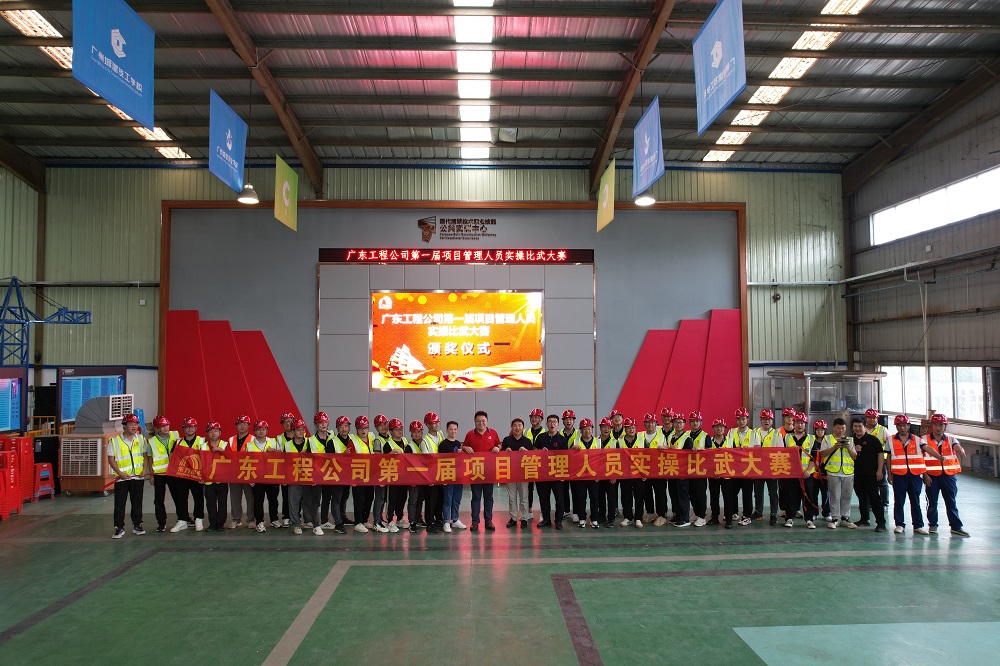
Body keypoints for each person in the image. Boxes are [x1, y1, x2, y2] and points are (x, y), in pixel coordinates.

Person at [921, 413, 970, 537]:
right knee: (932, 502)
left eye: (941, 425)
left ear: (945, 426)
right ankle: (933, 525)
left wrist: (961, 451)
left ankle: (956, 527)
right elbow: (920, 459)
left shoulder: (951, 439)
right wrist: (925, 475)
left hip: (948, 476)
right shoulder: (924, 440)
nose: (938, 428)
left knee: (951, 502)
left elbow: (957, 447)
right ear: (932, 426)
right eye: (935, 425)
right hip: (932, 476)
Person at [108, 413, 146, 539]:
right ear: (124, 426)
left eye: (135, 424)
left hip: (137, 477)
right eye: (131, 424)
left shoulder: (141, 439)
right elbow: (111, 459)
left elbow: (145, 456)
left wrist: (144, 469)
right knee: (120, 504)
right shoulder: (114, 441)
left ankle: (137, 525)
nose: (134, 427)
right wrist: (120, 473)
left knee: (137, 503)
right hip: (121, 479)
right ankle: (119, 528)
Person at [889, 414, 929, 535]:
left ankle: (918, 525)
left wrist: (925, 473)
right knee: (899, 501)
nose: (902, 428)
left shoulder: (917, 440)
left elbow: (924, 455)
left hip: (915, 475)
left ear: (908, 426)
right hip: (899, 475)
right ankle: (899, 524)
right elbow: (888, 458)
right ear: (896, 426)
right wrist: (889, 474)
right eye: (899, 425)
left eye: (904, 425)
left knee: (915, 501)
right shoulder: (890, 440)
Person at [462, 410, 501, 531]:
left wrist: (497, 447)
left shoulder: (493, 433)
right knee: (476, 497)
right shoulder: (470, 434)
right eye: (478, 421)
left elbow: (499, 445)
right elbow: (463, 446)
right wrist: (465, 448)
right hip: (475, 471)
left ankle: (488, 521)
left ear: (487, 421)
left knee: (489, 497)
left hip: (489, 471)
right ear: (474, 421)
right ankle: (475, 521)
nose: (481, 423)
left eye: (483, 421)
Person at [285, 418, 324, 536]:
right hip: (294, 477)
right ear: (293, 431)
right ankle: (296, 524)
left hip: (308, 477)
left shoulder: (310, 442)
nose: (301, 432)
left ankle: (308, 520)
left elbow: (316, 460)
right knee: (294, 502)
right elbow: (283, 462)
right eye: (298, 430)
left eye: (302, 429)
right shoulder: (287, 445)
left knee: (308, 501)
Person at [849, 417, 886, 532]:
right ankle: (864, 519)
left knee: (874, 497)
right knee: (861, 497)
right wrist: (854, 450)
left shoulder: (873, 439)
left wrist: (879, 470)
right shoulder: (850, 441)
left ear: (865, 427)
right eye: (855, 426)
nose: (857, 428)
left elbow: (880, 455)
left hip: (871, 474)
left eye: (860, 426)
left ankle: (881, 523)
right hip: (857, 474)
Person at [144, 415, 179, 533]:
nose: (166, 428)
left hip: (173, 473)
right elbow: (150, 458)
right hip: (159, 474)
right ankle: (161, 522)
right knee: (159, 499)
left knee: (178, 496)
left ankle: (183, 518)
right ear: (157, 429)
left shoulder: (175, 435)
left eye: (167, 425)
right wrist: (151, 475)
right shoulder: (152, 442)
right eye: (162, 426)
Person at [170, 416, 206, 532]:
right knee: (181, 497)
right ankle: (182, 520)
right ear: (183, 429)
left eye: (192, 427)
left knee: (198, 497)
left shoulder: (202, 441)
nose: (190, 429)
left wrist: (204, 475)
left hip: (196, 476)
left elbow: (207, 459)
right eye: (187, 427)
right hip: (181, 475)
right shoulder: (178, 442)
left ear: (196, 428)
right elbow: (172, 458)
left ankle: (198, 518)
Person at [533, 414, 567, 530]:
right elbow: (534, 450)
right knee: (544, 498)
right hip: (543, 474)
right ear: (547, 424)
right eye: (550, 422)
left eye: (555, 422)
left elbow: (566, 457)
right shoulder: (541, 437)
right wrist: (540, 451)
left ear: (558, 425)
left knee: (559, 499)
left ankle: (558, 521)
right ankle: (546, 519)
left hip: (557, 474)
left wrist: (563, 474)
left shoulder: (562, 439)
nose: (552, 424)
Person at [248, 420, 281, 532]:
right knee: (258, 501)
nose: (261, 431)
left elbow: (281, 456)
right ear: (254, 431)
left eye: (263, 429)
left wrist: (275, 451)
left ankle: (274, 519)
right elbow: (246, 462)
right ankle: (259, 522)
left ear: (267, 430)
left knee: (273, 499)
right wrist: (250, 477)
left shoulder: (273, 442)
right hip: (257, 477)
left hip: (272, 476)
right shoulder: (249, 445)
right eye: (258, 429)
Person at [725, 409, 757, 526]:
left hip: (748, 468)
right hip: (734, 467)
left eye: (743, 419)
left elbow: (758, 450)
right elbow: (727, 447)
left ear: (747, 419)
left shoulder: (753, 433)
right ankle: (733, 512)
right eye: (738, 419)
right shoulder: (731, 432)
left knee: (747, 493)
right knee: (732, 491)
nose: (741, 421)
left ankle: (747, 516)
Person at [779, 413, 809, 528]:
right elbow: (780, 453)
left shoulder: (810, 439)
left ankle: (809, 519)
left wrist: (809, 470)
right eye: (797, 423)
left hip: (806, 473)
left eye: (802, 423)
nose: (800, 425)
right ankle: (789, 517)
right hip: (790, 472)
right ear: (794, 424)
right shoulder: (787, 438)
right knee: (790, 495)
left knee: (806, 495)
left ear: (805, 424)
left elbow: (813, 457)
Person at [570, 418, 601, 528]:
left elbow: (603, 459)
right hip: (580, 476)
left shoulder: (598, 442)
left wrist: (599, 474)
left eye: (589, 429)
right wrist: (572, 449)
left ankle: (594, 519)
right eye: (584, 429)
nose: (587, 431)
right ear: (581, 430)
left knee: (594, 498)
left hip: (594, 476)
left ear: (592, 429)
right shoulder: (575, 442)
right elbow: (570, 458)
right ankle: (582, 518)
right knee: (581, 498)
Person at [199, 421, 229, 533]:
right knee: (210, 503)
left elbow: (232, 459)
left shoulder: (225, 445)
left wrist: (222, 451)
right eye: (210, 431)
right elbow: (199, 462)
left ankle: (221, 524)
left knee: (222, 502)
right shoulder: (203, 446)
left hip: (222, 479)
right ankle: (212, 523)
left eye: (216, 431)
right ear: (207, 433)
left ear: (220, 433)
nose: (213, 433)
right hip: (208, 480)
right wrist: (200, 476)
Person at [753, 409, 783, 525]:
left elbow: (781, 451)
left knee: (773, 493)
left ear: (772, 421)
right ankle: (758, 512)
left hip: (772, 468)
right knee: (758, 492)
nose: (767, 421)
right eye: (764, 419)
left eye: (769, 419)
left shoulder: (777, 434)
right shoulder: (754, 432)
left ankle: (773, 514)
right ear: (760, 420)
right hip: (757, 467)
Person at [501, 417, 531, 528]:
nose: (517, 428)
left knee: (524, 497)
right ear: (511, 428)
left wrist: (526, 451)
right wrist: (505, 452)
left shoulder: (527, 441)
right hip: (510, 473)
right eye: (515, 426)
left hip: (523, 473)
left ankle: (524, 518)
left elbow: (533, 456)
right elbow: (500, 455)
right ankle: (513, 518)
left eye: (519, 425)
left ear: (523, 428)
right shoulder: (506, 440)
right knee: (512, 497)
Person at [862, 408, 890, 524]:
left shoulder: (883, 430)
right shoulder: (862, 429)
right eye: (869, 418)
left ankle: (884, 503)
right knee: (868, 483)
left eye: (874, 418)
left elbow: (889, 444)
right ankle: (869, 503)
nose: (872, 420)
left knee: (882, 483)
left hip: (880, 461)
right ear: (866, 418)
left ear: (877, 418)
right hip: (866, 461)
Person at [348, 415, 375, 533]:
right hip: (358, 475)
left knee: (369, 498)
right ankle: (358, 522)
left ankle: (364, 520)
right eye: (360, 428)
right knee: (359, 499)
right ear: (356, 429)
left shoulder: (372, 437)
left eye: (365, 428)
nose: (363, 431)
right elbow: (349, 461)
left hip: (370, 475)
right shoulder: (352, 441)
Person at [383, 418, 410, 532]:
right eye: (396, 429)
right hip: (392, 476)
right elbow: (383, 460)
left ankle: (399, 518)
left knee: (402, 498)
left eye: (401, 429)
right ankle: (389, 520)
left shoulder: (405, 441)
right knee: (392, 499)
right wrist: (392, 453)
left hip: (403, 476)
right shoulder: (388, 444)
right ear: (391, 431)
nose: (399, 431)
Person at [227, 415, 254, 529]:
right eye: (240, 424)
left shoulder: (253, 439)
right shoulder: (230, 440)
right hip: (234, 473)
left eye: (245, 424)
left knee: (250, 498)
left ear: (248, 425)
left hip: (248, 471)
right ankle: (236, 519)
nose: (242, 426)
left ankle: (251, 519)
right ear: (236, 426)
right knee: (235, 497)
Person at [311, 413, 337, 530]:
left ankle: (324, 521)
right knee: (316, 500)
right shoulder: (311, 440)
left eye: (325, 422)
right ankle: (315, 524)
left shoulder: (332, 435)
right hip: (317, 474)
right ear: (316, 425)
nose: (323, 425)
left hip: (330, 473)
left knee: (327, 497)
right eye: (320, 423)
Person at [707, 418, 734, 528]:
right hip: (713, 474)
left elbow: (736, 455)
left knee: (728, 497)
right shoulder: (709, 441)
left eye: (721, 427)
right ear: (713, 429)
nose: (719, 429)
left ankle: (729, 519)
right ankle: (714, 517)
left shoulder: (731, 441)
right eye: (717, 427)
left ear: (725, 429)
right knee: (714, 497)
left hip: (727, 474)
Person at [439, 421, 466, 532]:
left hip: (458, 476)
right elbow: (440, 461)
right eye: (451, 429)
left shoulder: (459, 444)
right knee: (448, 499)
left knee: (456, 499)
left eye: (455, 429)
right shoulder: (443, 444)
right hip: (448, 476)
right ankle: (446, 521)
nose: (453, 431)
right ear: (447, 430)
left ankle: (455, 519)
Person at [618, 418, 644, 528]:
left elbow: (648, 457)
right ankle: (627, 517)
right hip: (625, 474)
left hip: (639, 474)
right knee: (626, 496)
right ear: (625, 429)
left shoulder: (642, 441)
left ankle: (638, 518)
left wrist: (646, 473)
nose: (631, 430)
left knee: (639, 497)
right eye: (629, 428)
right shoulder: (619, 441)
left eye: (633, 427)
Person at [421, 412, 445, 532]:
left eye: (437, 422)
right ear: (428, 425)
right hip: (431, 475)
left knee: (440, 497)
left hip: (441, 473)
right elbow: (425, 461)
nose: (436, 425)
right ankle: (430, 522)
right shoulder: (425, 441)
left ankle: (439, 519)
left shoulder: (441, 434)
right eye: (433, 423)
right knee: (431, 499)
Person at [666, 414, 691, 527]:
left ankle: (685, 518)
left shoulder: (687, 438)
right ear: (672, 424)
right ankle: (677, 515)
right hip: (672, 470)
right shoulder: (670, 437)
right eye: (676, 422)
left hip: (682, 472)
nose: (678, 424)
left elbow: (688, 457)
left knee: (682, 495)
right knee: (674, 494)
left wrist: (684, 472)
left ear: (684, 424)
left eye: (680, 422)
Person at [370, 414, 392, 532]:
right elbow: (378, 459)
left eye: (384, 424)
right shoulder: (378, 441)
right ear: (376, 428)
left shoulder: (390, 438)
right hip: (381, 473)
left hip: (389, 472)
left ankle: (380, 518)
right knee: (379, 497)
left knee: (384, 498)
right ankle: (376, 522)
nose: (383, 427)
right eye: (379, 425)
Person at [597, 417, 619, 528]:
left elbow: (619, 459)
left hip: (611, 474)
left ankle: (611, 519)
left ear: (611, 429)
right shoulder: (595, 441)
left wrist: (614, 475)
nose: (606, 429)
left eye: (608, 427)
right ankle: (601, 516)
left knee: (611, 497)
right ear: (600, 428)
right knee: (600, 496)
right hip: (598, 474)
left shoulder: (615, 442)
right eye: (604, 427)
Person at [524, 408, 546, 519]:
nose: (534, 419)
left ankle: (543, 512)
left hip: (541, 466)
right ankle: (529, 511)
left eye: (536, 417)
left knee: (542, 490)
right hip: (528, 464)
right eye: (532, 417)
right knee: (528, 489)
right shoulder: (525, 431)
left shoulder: (545, 433)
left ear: (541, 419)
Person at [276, 412, 297, 527]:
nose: (288, 424)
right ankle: (286, 517)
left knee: (299, 495)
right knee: (286, 495)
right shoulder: (279, 438)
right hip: (285, 470)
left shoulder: (301, 435)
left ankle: (297, 516)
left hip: (298, 469)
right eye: (285, 422)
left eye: (290, 421)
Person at [406, 420, 428, 533]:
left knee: (420, 499)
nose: (417, 434)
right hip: (413, 478)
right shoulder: (409, 447)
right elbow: (406, 464)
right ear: (411, 433)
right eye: (414, 432)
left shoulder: (425, 443)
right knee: (413, 500)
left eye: (419, 431)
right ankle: (412, 521)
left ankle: (419, 518)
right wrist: (410, 479)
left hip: (423, 477)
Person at [559, 409, 581, 522]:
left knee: (575, 490)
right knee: (563, 490)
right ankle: (566, 510)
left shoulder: (579, 434)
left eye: (571, 419)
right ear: (563, 421)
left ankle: (575, 512)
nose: (568, 421)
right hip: (562, 465)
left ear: (574, 421)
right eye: (566, 419)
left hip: (575, 466)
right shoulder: (559, 434)